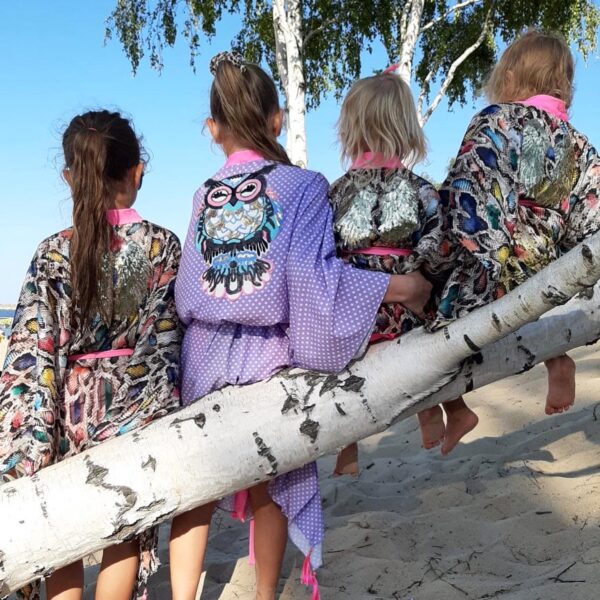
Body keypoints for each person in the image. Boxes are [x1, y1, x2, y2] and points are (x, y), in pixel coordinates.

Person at [170, 51, 433, 600]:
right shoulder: (304, 185)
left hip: (202, 358)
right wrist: (399, 287)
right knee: (274, 476)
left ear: (213, 129)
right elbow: (315, 285)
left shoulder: (202, 194)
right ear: (277, 121)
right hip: (266, 356)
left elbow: (188, 289)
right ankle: (266, 594)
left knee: (194, 488)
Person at [0, 110, 182, 600]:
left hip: (66, 410)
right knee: (122, 526)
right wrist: (138, 418)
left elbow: (31, 354)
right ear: (137, 171)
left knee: (61, 531)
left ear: (70, 177)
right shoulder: (162, 247)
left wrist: (33, 441)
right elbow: (163, 345)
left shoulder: (52, 252)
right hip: (132, 405)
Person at [434, 29, 600, 415]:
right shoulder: (579, 144)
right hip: (553, 269)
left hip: (500, 263)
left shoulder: (499, 121)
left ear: (509, 77)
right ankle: (556, 358)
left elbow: (469, 197)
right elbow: (590, 221)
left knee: (435, 314)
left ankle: (448, 409)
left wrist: (443, 255)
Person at [330, 71, 479, 474]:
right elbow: (437, 240)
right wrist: (415, 270)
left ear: (350, 129)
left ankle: (348, 445)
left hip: (364, 300)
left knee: (345, 360)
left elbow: (329, 248)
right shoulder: (419, 188)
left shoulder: (338, 191)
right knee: (423, 344)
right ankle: (448, 411)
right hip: (406, 296)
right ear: (406, 130)